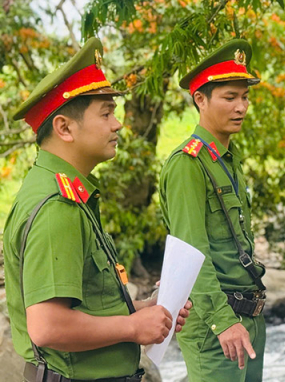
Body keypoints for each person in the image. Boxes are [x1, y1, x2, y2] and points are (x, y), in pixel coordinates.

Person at [3, 37, 190, 382]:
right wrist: (132, 327)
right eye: (106, 113)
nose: (117, 124)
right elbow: (48, 326)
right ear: (64, 127)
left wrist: (144, 311)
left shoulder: (66, 193)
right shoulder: (57, 206)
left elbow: (86, 306)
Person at [159, 39, 267, 382]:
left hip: (247, 317)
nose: (241, 107)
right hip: (216, 325)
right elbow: (192, 254)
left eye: (245, 97)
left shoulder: (227, 161)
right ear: (200, 100)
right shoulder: (187, 165)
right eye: (230, 97)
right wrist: (224, 322)